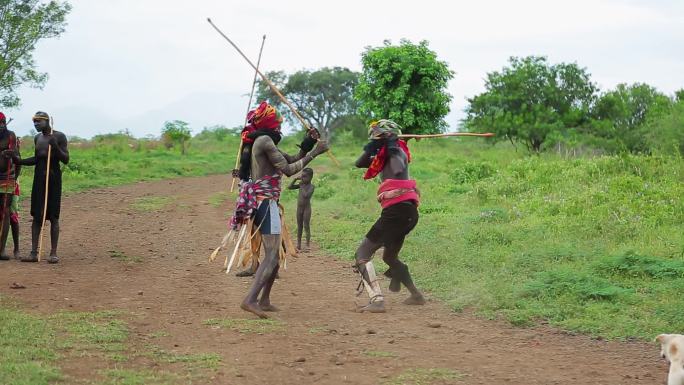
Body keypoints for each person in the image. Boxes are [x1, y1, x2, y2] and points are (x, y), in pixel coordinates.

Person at [231, 101, 328, 318]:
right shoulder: (264, 141)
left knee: (276, 252)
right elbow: (288, 169)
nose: (279, 128)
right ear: (270, 125)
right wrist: (316, 153)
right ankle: (250, 300)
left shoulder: (261, 141)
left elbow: (291, 158)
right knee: (273, 255)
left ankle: (264, 300)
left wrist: (308, 143)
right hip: (266, 203)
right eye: (277, 124)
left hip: (262, 202)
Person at [352, 119, 426, 313]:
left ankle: (377, 301)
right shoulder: (384, 153)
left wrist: (392, 144)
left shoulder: (397, 152)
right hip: (404, 213)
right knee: (390, 257)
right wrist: (374, 146)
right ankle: (416, 295)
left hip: (398, 212)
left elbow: (399, 168)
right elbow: (359, 163)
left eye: (377, 135)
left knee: (362, 254)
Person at [13, 111, 69, 263]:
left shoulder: (59, 136)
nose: (36, 125)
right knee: (37, 215)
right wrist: (19, 161)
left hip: (54, 179)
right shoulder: (37, 138)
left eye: (38, 122)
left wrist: (55, 147)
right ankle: (33, 253)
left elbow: (66, 159)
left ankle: (53, 253)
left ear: (46, 121)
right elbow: (37, 159)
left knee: (54, 216)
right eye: (34, 122)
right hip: (39, 179)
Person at [0, 112, 20, 260]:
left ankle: (1, 250)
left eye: (3, 122)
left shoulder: (11, 136)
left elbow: (17, 158)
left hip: (7, 178)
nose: (1, 126)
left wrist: (11, 154)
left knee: (6, 212)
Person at [288, 167, 314, 251]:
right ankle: (298, 244)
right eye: (302, 176)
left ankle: (307, 244)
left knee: (306, 226)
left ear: (310, 177)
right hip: (299, 208)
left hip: (307, 209)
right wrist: (295, 179)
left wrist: (301, 185)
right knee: (299, 226)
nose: (302, 178)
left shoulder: (312, 186)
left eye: (305, 176)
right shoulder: (301, 184)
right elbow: (290, 187)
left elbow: (306, 195)